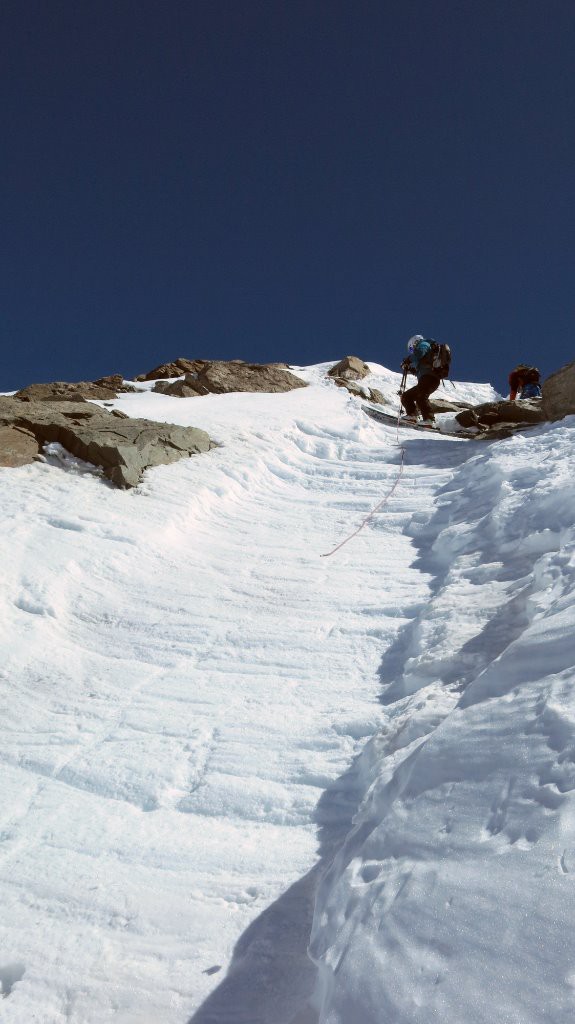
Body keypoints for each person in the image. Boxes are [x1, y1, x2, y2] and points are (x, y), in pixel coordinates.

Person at [400, 335, 442, 424]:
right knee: (407, 396)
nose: (412, 351)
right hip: (428, 379)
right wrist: (411, 369)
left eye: (411, 349)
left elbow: (419, 353)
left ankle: (429, 420)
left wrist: (408, 360)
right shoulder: (427, 352)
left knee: (421, 397)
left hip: (429, 378)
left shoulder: (423, 344)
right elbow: (422, 368)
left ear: (415, 342)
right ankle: (412, 416)